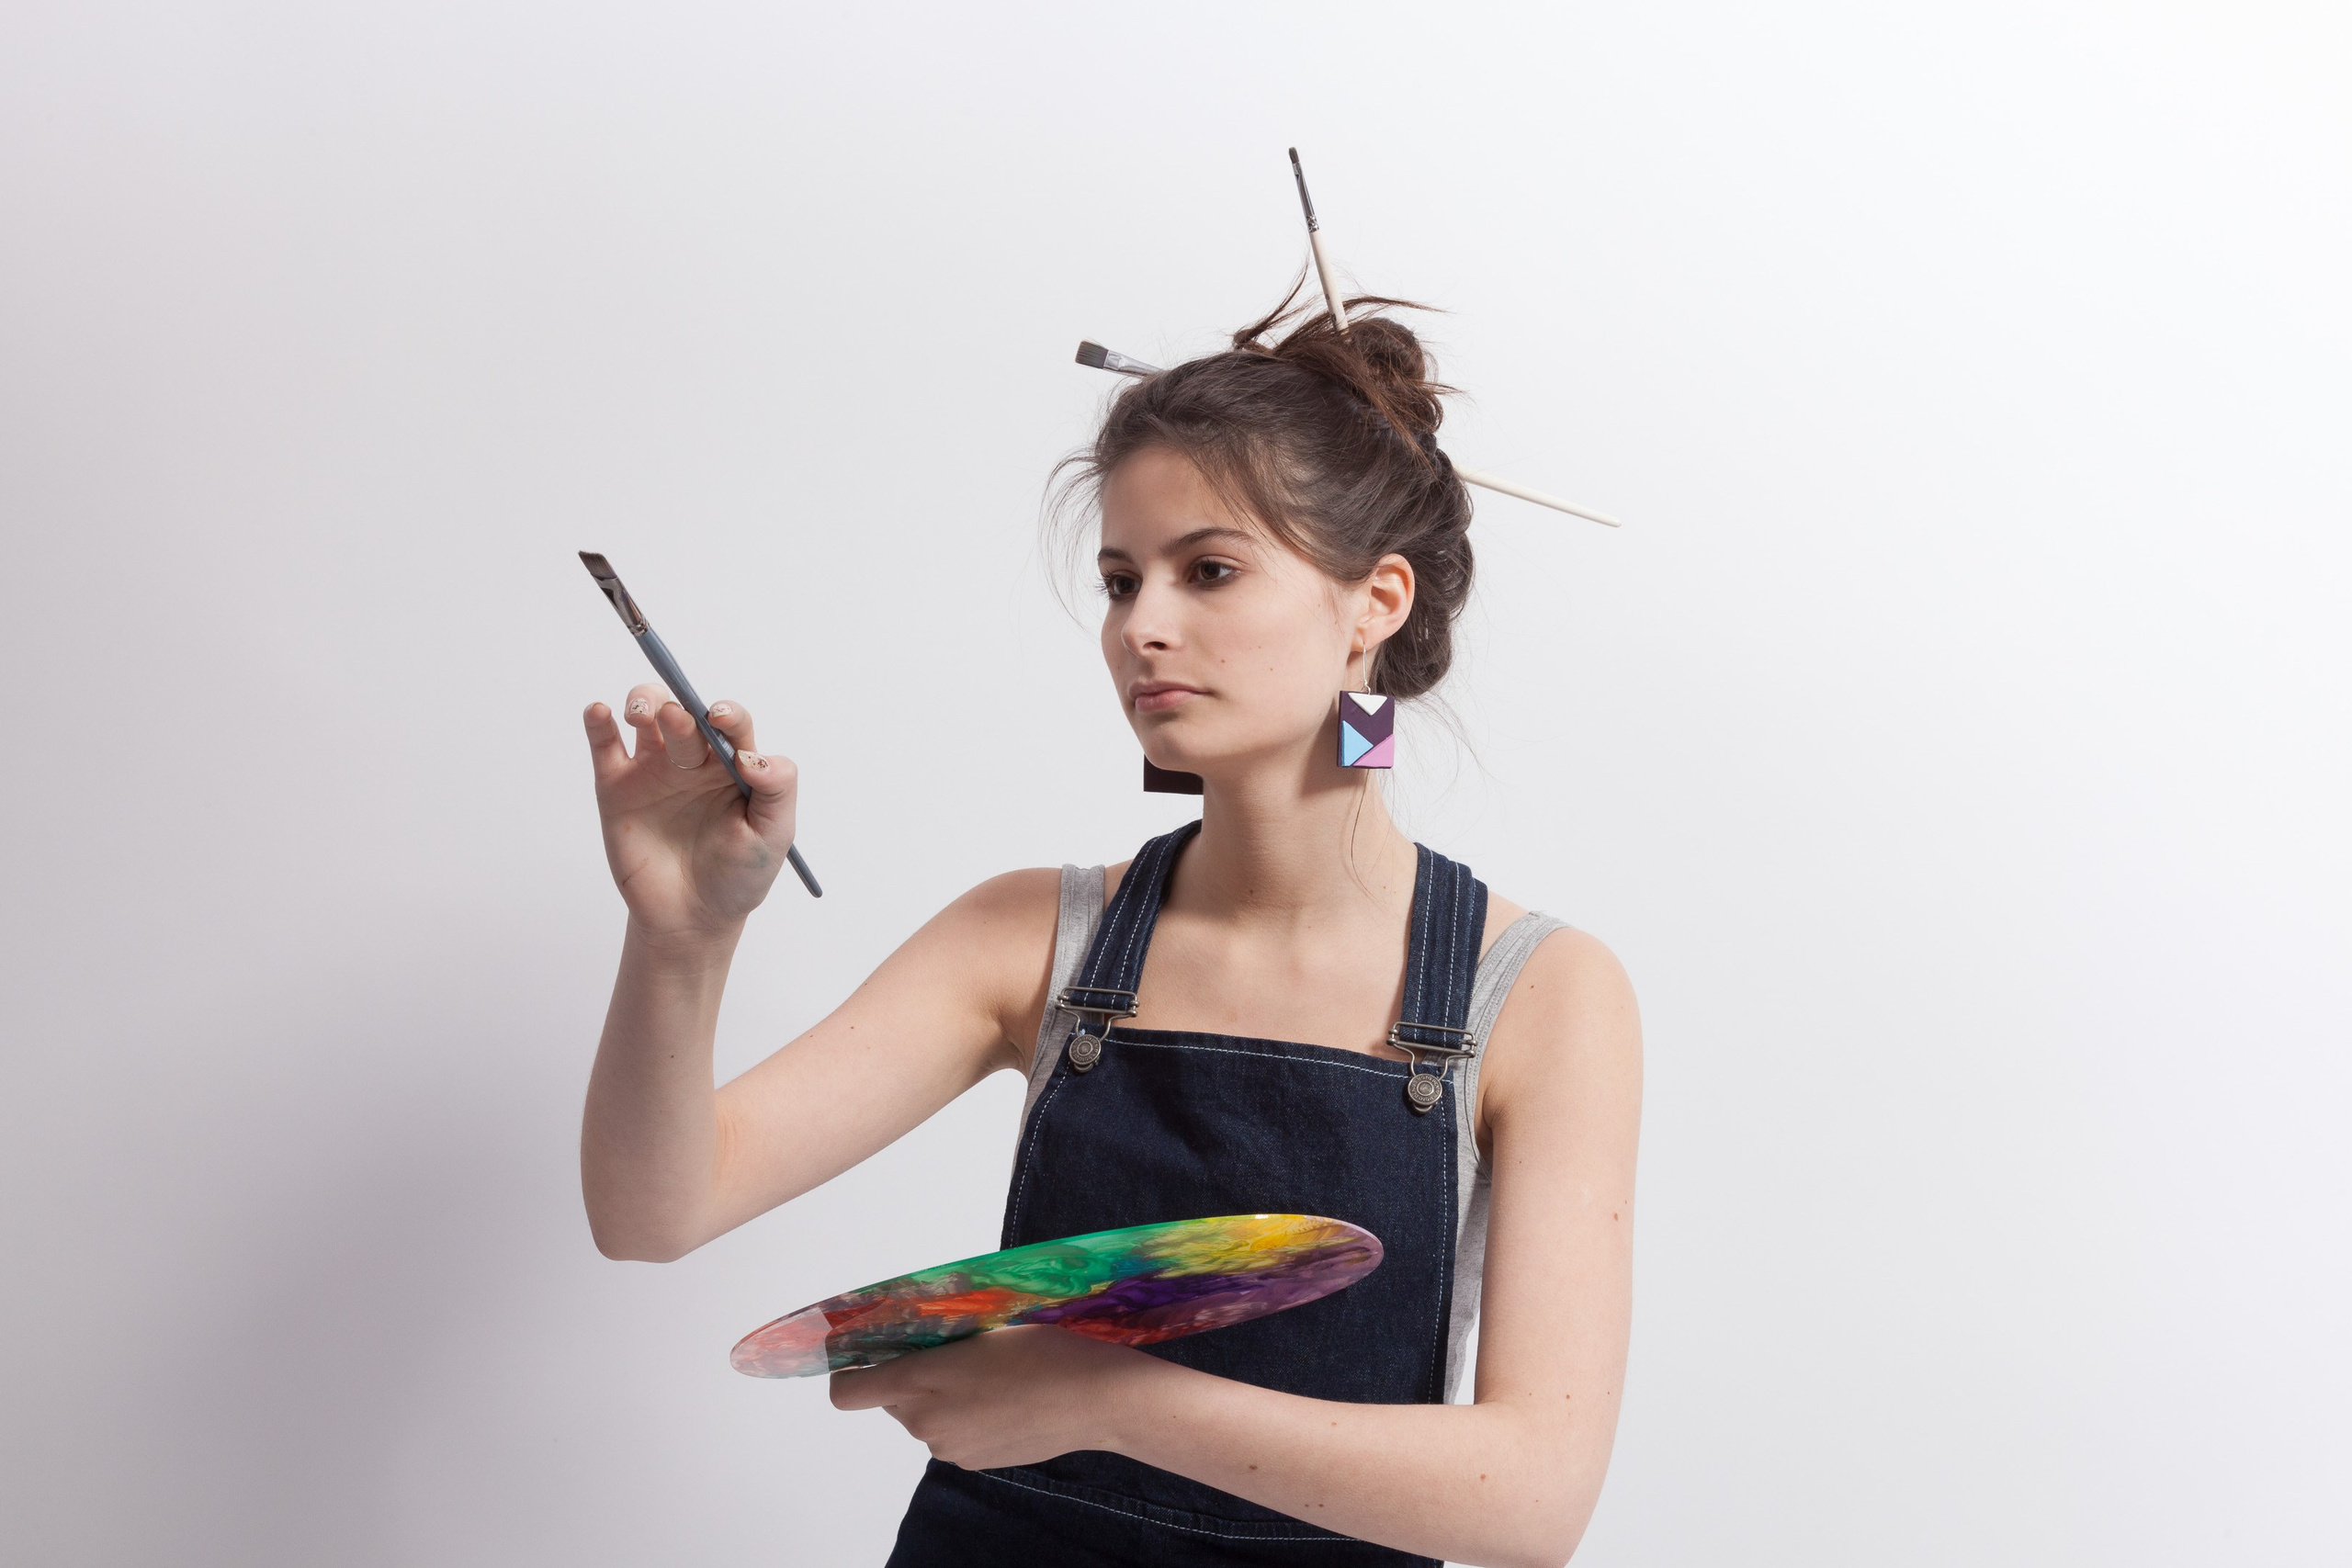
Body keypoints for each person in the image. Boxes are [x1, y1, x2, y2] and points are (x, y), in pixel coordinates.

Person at [577, 290, 1644, 1568]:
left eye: (1209, 570)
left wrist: (1100, 1399)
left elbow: (1531, 1503)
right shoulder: (1032, 938)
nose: (1142, 625)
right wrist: (683, 938)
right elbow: (653, 1210)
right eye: (1121, 578)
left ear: (1376, 603)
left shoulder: (1539, 995)